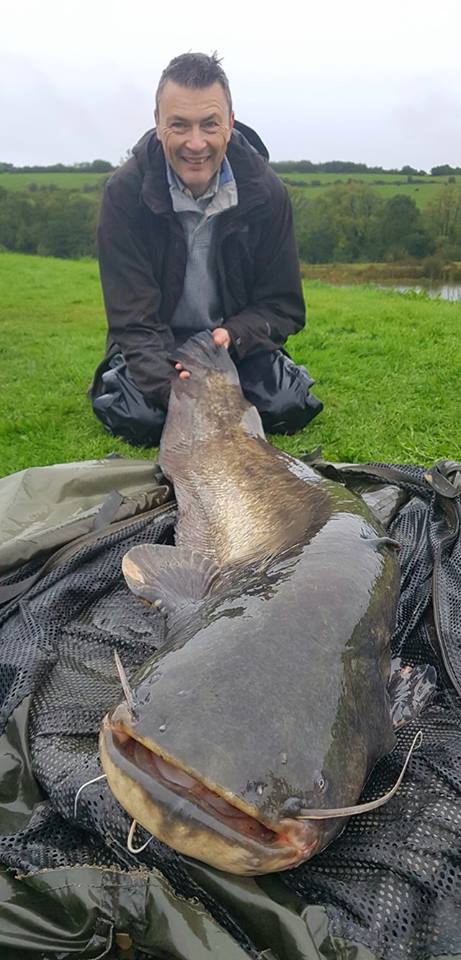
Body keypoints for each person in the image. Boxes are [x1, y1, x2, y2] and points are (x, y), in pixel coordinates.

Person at [91, 52, 322, 446]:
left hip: (230, 343)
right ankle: (118, 380)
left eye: (209, 124)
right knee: (142, 418)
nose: (195, 144)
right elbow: (134, 321)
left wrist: (231, 336)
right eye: (179, 125)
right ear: (158, 124)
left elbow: (283, 308)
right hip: (159, 344)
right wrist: (179, 394)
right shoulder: (124, 194)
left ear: (229, 124)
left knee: (286, 406)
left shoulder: (267, 193)